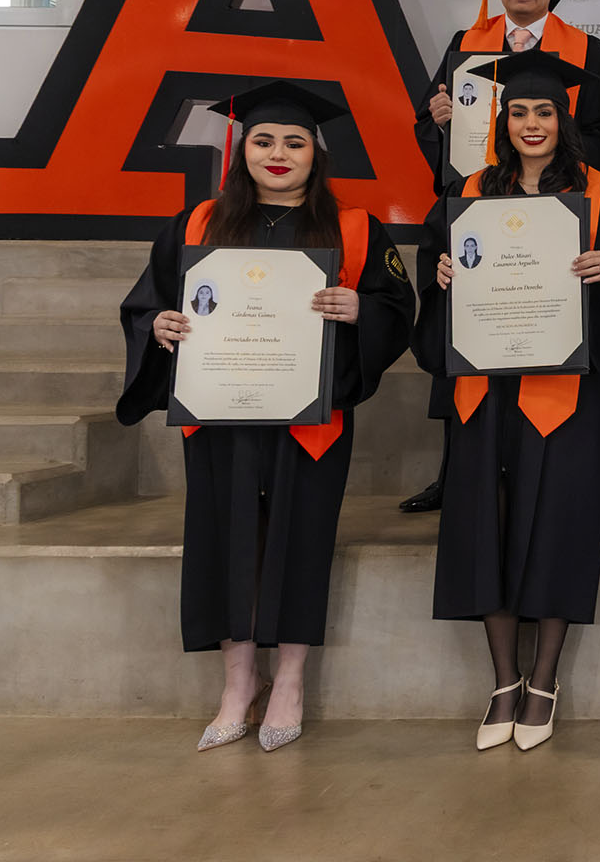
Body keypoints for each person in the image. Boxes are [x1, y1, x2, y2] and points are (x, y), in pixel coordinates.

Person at [117, 80, 415, 753]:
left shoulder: (359, 227)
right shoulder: (196, 223)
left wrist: (361, 312)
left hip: (309, 419)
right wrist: (158, 326)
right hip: (219, 412)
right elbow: (148, 305)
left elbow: (399, 310)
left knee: (300, 540)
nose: (278, 153)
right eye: (264, 141)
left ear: (316, 152)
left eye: (294, 142)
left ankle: (289, 680)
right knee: (225, 540)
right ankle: (238, 681)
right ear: (241, 149)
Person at [413, 52, 600, 752]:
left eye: (544, 111)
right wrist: (439, 279)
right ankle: (502, 682)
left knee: (560, 527)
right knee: (483, 527)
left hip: (567, 394)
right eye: (518, 111)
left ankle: (544, 680)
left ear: (565, 120)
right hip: (484, 390)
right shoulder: (466, 194)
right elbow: (435, 296)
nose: (530, 124)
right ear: (501, 119)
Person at [403, 0, 600, 514]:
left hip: (556, 209)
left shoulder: (586, 51)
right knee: (470, 332)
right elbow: (429, 126)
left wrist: (557, 159)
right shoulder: (463, 43)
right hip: (479, 205)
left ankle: (545, 470)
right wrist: (440, 120)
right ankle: (459, 472)